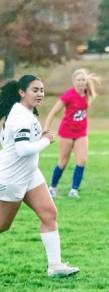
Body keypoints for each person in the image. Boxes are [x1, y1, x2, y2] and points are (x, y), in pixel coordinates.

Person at [0, 75, 79, 277]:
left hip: (29, 173)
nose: (40, 94)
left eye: (42, 90)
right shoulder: (21, 116)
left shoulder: (22, 112)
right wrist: (46, 140)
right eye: (35, 90)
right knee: (3, 225)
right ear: (22, 92)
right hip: (12, 178)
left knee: (49, 214)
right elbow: (23, 149)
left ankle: (55, 266)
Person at [44, 68, 100, 199]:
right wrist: (46, 128)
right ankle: (52, 188)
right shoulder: (68, 95)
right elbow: (53, 113)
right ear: (73, 81)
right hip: (66, 133)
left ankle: (74, 190)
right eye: (79, 80)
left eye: (83, 80)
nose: (81, 82)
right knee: (63, 162)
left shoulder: (87, 93)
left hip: (81, 133)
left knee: (82, 160)